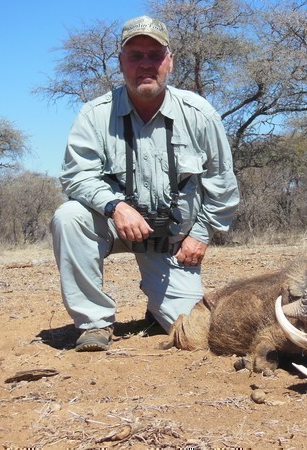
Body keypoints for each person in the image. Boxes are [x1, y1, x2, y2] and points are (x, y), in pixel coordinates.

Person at [50, 15, 240, 352]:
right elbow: (76, 175)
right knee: (69, 217)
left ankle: (158, 308)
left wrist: (200, 235)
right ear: (120, 62)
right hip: (115, 225)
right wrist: (115, 206)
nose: (145, 64)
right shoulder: (94, 115)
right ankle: (94, 323)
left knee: (192, 332)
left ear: (170, 60)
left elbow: (222, 183)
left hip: (173, 239)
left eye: (155, 55)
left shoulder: (200, 114)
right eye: (135, 55)